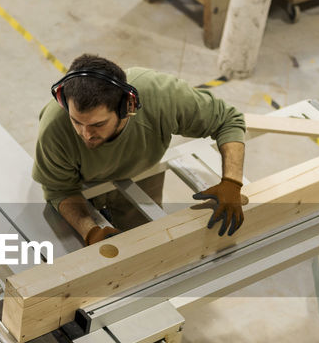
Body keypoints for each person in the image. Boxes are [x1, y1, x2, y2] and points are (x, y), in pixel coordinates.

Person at [33, 54, 247, 245]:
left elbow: (228, 120)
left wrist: (232, 182)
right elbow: (59, 189)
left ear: (127, 108)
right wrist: (90, 231)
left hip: (141, 173)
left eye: (98, 125)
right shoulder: (55, 127)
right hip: (83, 188)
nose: (86, 134)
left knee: (144, 242)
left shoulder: (161, 96)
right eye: (77, 122)